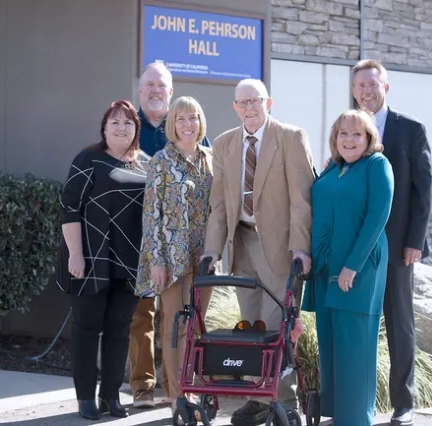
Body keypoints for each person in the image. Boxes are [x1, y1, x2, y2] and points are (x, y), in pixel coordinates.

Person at [201, 78, 315, 426]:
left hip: (279, 246)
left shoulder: (290, 138)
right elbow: (219, 204)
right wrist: (211, 251)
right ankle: (257, 397)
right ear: (235, 107)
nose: (250, 108)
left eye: (256, 101)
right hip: (242, 243)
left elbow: (301, 199)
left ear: (269, 103)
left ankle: (284, 400)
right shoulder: (223, 144)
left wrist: (300, 247)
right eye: (243, 102)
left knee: (276, 323)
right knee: (248, 326)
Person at [351, 59, 432, 426]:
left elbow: (423, 191)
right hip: (358, 250)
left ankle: (404, 403)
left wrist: (416, 240)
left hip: (399, 246)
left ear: (386, 87)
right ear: (354, 91)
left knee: (399, 324)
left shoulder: (411, 129)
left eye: (373, 84)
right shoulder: (348, 130)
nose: (367, 91)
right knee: (359, 323)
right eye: (361, 86)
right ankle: (357, 400)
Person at [55, 100, 148, 420]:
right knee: (86, 328)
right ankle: (85, 398)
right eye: (115, 122)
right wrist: (76, 255)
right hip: (91, 259)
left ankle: (110, 395)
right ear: (104, 128)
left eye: (128, 123)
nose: (122, 128)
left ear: (137, 129)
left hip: (130, 262)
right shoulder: (88, 159)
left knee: (119, 330)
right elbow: (69, 208)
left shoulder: (146, 165)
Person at [303, 109, 394, 426]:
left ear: (369, 138)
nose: (350, 139)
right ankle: (339, 414)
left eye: (357, 134)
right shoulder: (333, 169)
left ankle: (356, 419)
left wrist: (352, 267)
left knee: (355, 347)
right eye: (343, 133)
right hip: (326, 270)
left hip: (358, 269)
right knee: (331, 343)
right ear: (334, 138)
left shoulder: (377, 165)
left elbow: (377, 217)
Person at [130, 61, 212, 409]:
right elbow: (153, 212)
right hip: (161, 249)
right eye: (149, 85)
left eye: (161, 86)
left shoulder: (208, 155)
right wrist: (159, 258)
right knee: (156, 320)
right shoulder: (148, 146)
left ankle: (180, 388)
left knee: (192, 323)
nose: (187, 124)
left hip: (200, 254)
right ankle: (158, 391)